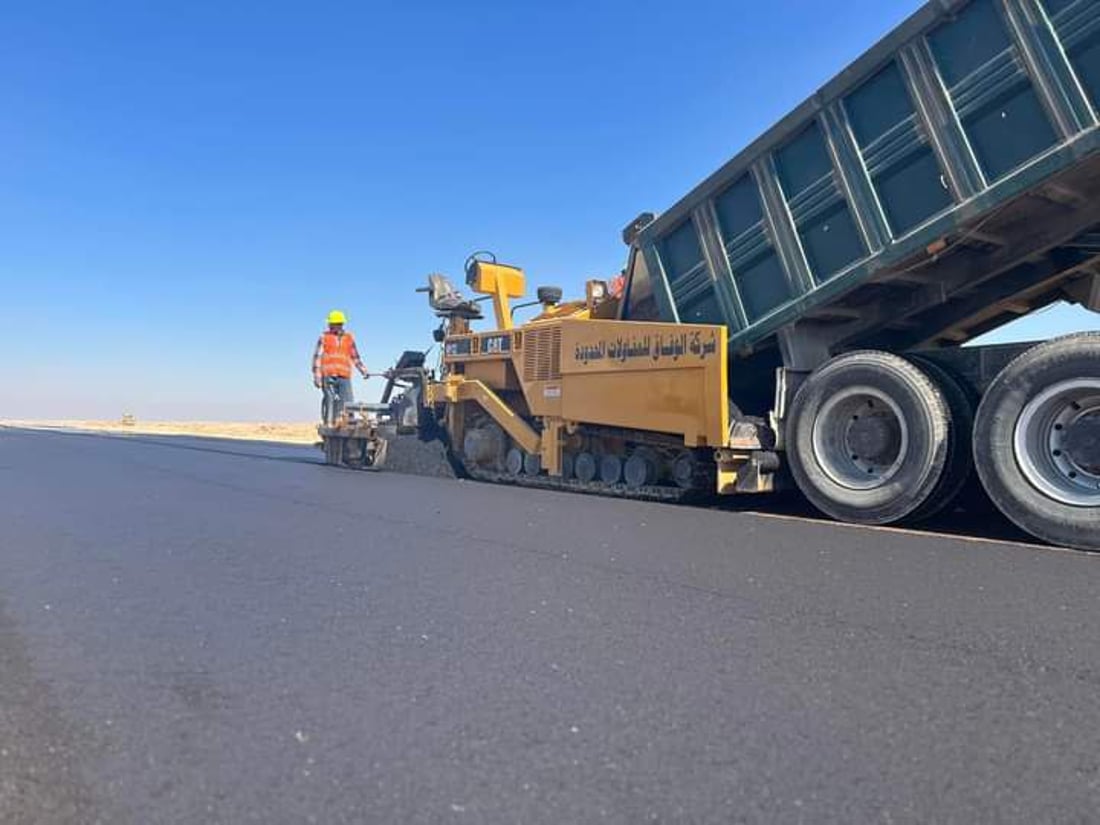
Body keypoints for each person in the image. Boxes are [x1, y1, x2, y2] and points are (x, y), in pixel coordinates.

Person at [311, 310, 370, 425]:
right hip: (328, 375)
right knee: (330, 400)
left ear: (340, 324)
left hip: (344, 375)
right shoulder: (324, 337)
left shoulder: (349, 338)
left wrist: (363, 371)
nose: (331, 326)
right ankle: (329, 425)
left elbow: (355, 357)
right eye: (331, 324)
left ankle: (347, 424)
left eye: (333, 324)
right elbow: (317, 357)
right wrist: (317, 377)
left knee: (347, 402)